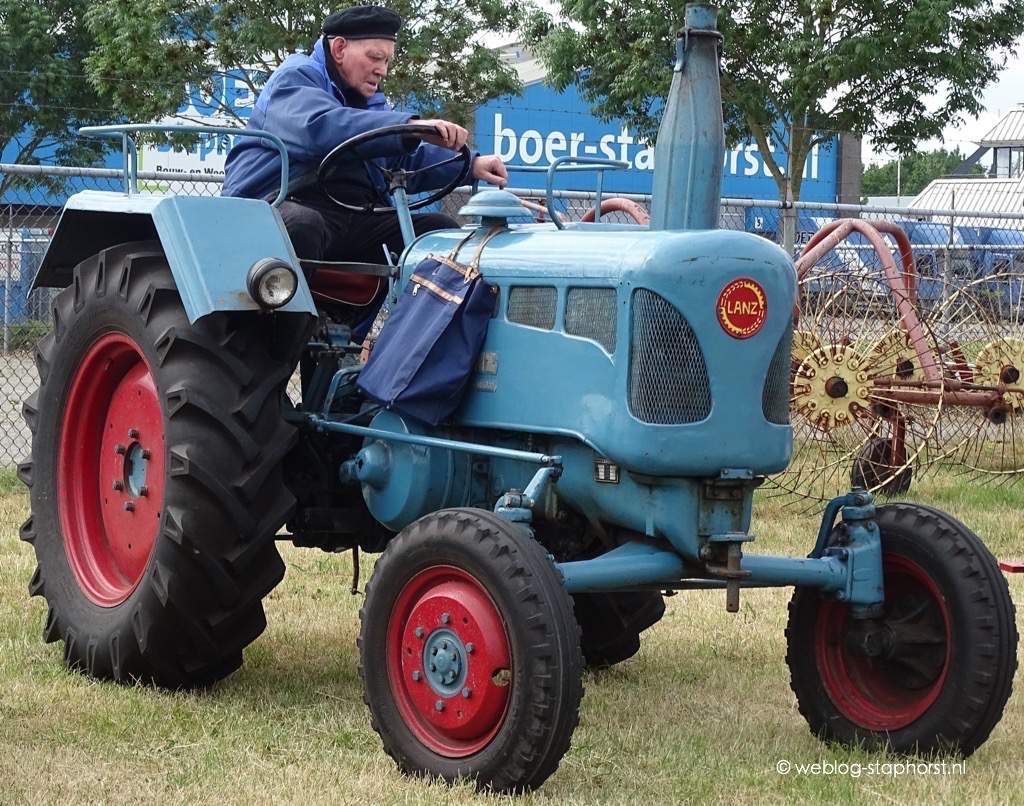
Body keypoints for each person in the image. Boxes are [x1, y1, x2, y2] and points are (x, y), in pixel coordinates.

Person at [222, 5, 508, 266]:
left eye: (387, 61)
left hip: (348, 215)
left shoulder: (369, 103)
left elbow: (397, 161)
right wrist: (410, 127)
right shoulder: (295, 79)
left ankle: (408, 323)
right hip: (273, 204)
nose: (382, 70)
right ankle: (287, 322)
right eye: (375, 57)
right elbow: (322, 128)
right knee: (301, 225)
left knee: (437, 232)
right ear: (339, 49)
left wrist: (470, 165)